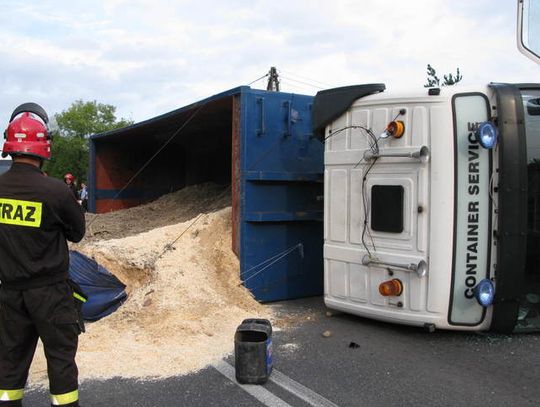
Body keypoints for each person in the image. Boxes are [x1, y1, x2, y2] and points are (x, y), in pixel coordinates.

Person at [0, 103, 86, 407]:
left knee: (9, 363)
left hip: (9, 293)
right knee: (60, 361)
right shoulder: (56, 191)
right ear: (43, 148)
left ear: (8, 145)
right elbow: (77, 233)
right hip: (50, 293)